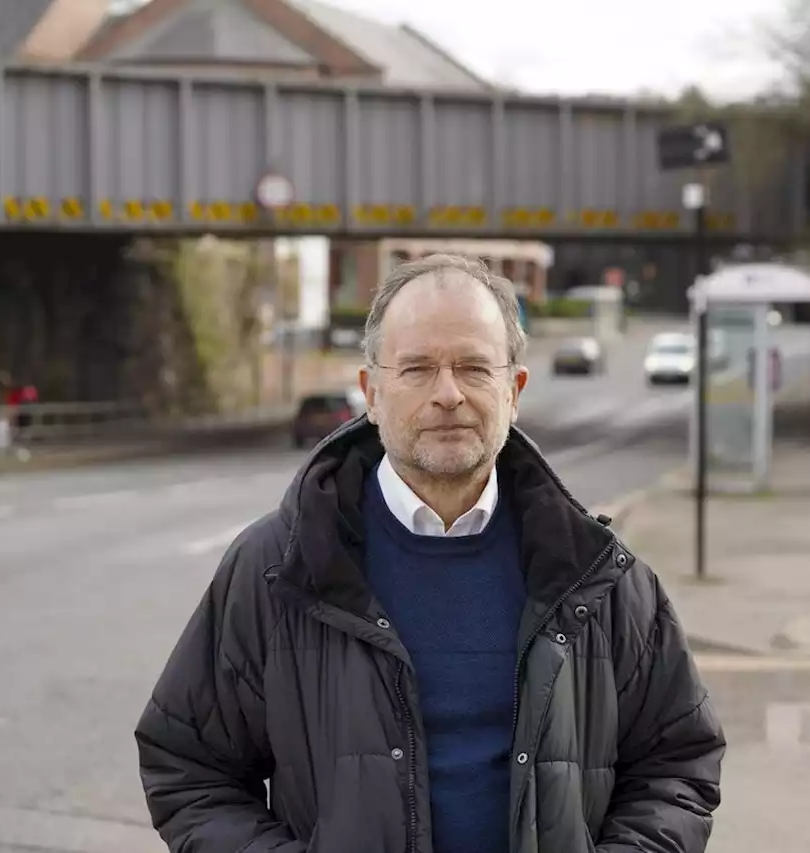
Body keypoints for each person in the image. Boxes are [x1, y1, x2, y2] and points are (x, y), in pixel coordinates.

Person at [134, 254, 725, 853]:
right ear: (371, 392)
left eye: (473, 367)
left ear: (514, 390)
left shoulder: (598, 577)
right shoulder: (277, 566)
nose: (448, 395)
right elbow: (188, 767)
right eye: (416, 369)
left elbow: (678, 764)